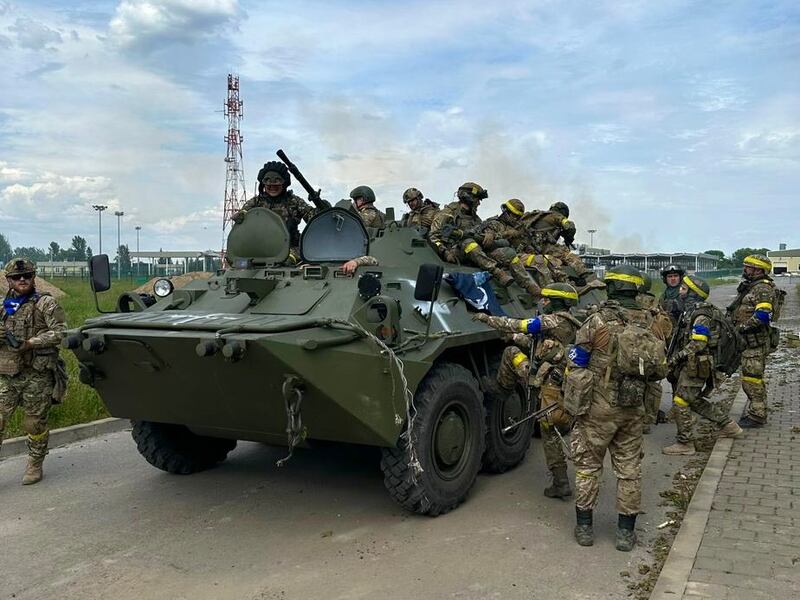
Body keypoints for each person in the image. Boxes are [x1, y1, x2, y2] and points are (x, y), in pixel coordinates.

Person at [567, 264, 660, 551]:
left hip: (599, 408)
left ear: (611, 288)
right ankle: (625, 534)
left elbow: (577, 360)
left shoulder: (597, 321)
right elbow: (658, 368)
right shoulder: (651, 322)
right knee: (629, 470)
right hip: (633, 407)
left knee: (588, 467)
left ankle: (585, 529)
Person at [473, 283, 581, 498]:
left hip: (547, 383)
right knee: (551, 432)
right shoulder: (570, 325)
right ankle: (560, 482)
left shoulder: (552, 320)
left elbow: (519, 324)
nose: (544, 302)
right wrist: (514, 337)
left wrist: (487, 319)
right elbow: (539, 345)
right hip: (562, 384)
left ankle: (502, 389)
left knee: (512, 353)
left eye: (548, 299)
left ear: (557, 302)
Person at [0, 258, 67, 484]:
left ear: (33, 277)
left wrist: (31, 343)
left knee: (34, 423)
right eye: (16, 277)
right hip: (7, 374)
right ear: (8, 280)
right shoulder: (5, 306)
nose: (22, 280)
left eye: (27, 276)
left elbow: (61, 332)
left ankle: (35, 463)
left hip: (36, 374)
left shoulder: (45, 303)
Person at [662, 275, 743, 455]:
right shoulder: (692, 311)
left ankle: (685, 444)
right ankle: (728, 425)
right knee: (692, 399)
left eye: (684, 289)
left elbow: (699, 343)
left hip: (698, 364)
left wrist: (676, 358)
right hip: (695, 364)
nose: (680, 292)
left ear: (693, 293)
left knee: (681, 401)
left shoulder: (701, 315)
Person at [727, 255, 779, 428]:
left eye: (748, 267)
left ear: (758, 270)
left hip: (754, 342)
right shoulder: (752, 286)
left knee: (752, 379)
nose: (745, 269)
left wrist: (740, 328)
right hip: (748, 342)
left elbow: (763, 316)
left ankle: (757, 415)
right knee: (751, 378)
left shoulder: (763, 288)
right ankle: (757, 410)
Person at [233, 161, 319, 264]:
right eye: (269, 185)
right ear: (263, 185)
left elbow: (314, 219)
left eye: (277, 184)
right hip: (259, 251)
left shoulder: (294, 202)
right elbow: (242, 217)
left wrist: (320, 206)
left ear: (284, 184)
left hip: (290, 250)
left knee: (287, 261)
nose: (273, 187)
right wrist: (241, 216)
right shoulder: (255, 203)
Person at [463, 199, 543, 296]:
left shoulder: (516, 227)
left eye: (518, 217)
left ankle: (531, 287)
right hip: (481, 252)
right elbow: (486, 240)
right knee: (470, 244)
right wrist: (507, 234)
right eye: (514, 215)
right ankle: (498, 273)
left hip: (494, 254)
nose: (515, 219)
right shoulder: (493, 223)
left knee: (511, 254)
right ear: (506, 212)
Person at [636, 272, 673, 432]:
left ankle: (639, 420)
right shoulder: (656, 306)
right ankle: (647, 419)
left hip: (637, 352)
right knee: (650, 385)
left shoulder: (633, 304)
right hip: (654, 354)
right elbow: (667, 332)